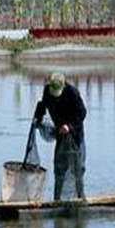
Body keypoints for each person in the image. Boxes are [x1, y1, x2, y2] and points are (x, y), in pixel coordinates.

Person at [34, 72, 87, 200]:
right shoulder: (48, 91)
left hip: (75, 134)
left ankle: (79, 197)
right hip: (60, 133)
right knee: (60, 167)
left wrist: (69, 127)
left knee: (77, 167)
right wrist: (37, 118)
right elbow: (42, 105)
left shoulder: (72, 93)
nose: (55, 94)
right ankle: (58, 199)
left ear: (63, 86)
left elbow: (82, 113)